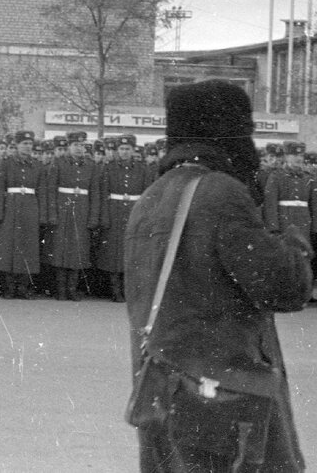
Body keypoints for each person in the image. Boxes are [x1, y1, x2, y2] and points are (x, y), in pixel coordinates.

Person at [126, 80, 311, 471]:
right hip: (224, 393)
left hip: (166, 387)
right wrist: (296, 245)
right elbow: (284, 288)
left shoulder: (152, 196)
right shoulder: (219, 191)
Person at [43, 130, 99, 301]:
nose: (79, 148)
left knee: (77, 250)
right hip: (62, 210)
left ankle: (72, 289)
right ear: (68, 147)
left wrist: (93, 218)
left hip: (82, 211)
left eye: (82, 145)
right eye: (75, 145)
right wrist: (52, 214)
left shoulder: (91, 165)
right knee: (60, 250)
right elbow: (50, 191)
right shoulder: (58, 163)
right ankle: (61, 289)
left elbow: (95, 193)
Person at [95, 134, 149, 303]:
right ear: (117, 150)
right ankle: (115, 290)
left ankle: (129, 291)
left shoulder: (143, 169)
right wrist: (104, 217)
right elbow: (103, 194)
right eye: (122, 149)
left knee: (132, 252)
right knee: (114, 254)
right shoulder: (108, 168)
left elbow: (147, 196)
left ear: (133, 150)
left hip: (134, 211)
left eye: (128, 149)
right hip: (114, 212)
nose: (125, 152)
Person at [0, 129, 43, 299]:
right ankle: (8, 287)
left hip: (30, 207)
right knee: (8, 247)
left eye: (30, 144)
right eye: (24, 144)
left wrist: (41, 215)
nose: (28, 147)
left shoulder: (37, 165)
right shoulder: (5, 164)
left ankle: (23, 286)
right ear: (17, 145)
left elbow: (41, 192)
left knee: (27, 248)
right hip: (10, 207)